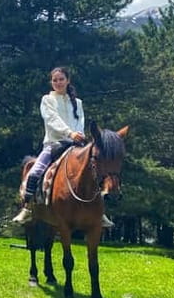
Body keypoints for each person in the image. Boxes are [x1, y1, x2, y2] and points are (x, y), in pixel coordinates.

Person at [12, 66, 114, 228]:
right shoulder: (47, 100)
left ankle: (99, 212)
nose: (58, 82)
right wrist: (70, 133)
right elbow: (51, 120)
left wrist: (78, 134)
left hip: (76, 144)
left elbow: (80, 121)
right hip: (54, 143)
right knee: (35, 172)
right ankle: (28, 208)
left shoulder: (77, 102)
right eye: (55, 80)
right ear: (51, 82)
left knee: (95, 171)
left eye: (61, 79)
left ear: (68, 80)